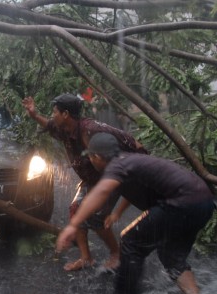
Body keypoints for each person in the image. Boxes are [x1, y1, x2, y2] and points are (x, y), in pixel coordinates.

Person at [56, 132, 215, 294]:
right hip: (204, 203)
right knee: (171, 256)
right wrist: (117, 213)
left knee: (130, 241)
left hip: (183, 203)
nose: (90, 161)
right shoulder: (128, 161)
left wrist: (73, 225)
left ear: (97, 156)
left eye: (91, 157)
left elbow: (101, 191)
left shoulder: (117, 165)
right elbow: (128, 191)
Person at [22, 93, 147, 271]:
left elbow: (128, 149)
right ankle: (86, 258)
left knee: (96, 217)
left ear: (65, 114)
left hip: (112, 176)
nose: (52, 115)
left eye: (54, 112)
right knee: (76, 211)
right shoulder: (64, 128)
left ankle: (116, 253)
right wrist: (34, 114)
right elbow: (49, 125)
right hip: (92, 179)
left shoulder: (90, 131)